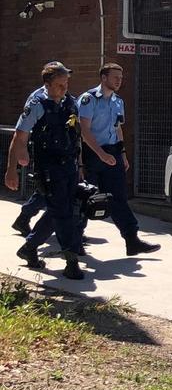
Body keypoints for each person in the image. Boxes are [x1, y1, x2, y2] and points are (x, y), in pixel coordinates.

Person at [5, 62, 85, 279]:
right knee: (64, 214)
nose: (64, 88)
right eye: (60, 85)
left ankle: (30, 248)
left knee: (62, 209)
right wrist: (11, 170)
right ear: (47, 84)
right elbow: (19, 137)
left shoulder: (70, 102)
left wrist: (79, 166)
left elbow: (75, 136)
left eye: (66, 83)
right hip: (49, 169)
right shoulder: (37, 104)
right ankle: (71, 260)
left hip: (69, 166)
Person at [77, 63, 160, 256]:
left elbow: (117, 128)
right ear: (103, 78)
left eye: (121, 78)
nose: (119, 81)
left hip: (112, 153)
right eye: (115, 77)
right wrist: (101, 154)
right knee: (85, 198)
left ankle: (132, 240)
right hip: (92, 154)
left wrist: (121, 154)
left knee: (118, 198)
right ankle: (75, 241)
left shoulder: (117, 101)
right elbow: (84, 131)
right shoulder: (89, 99)